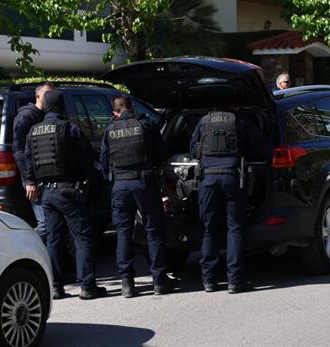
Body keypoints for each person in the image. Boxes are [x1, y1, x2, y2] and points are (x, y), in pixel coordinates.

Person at [23, 89, 107, 300]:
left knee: (53, 240)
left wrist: (31, 181)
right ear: (61, 106)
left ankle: (55, 287)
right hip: (70, 191)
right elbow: (87, 161)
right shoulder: (69, 129)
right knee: (82, 238)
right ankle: (87, 286)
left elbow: (28, 160)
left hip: (46, 194)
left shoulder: (33, 131)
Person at [99, 96, 179, 298]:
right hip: (144, 183)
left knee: (123, 233)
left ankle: (127, 283)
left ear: (115, 112)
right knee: (153, 231)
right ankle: (159, 281)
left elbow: (104, 161)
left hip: (120, 185)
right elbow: (160, 153)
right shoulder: (146, 124)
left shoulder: (110, 129)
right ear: (132, 107)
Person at [190, 109, 269, 294]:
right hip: (233, 178)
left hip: (208, 180)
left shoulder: (203, 121)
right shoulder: (240, 120)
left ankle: (208, 281)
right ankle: (234, 281)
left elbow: (193, 150)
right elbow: (261, 148)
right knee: (234, 228)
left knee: (208, 229)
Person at [13, 81, 53, 242]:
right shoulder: (26, 116)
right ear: (38, 96)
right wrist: (29, 181)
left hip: (45, 175)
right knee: (44, 225)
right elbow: (19, 151)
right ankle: (23, 248)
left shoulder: (46, 116)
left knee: (51, 224)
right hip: (33, 178)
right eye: (47, 94)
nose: (50, 98)